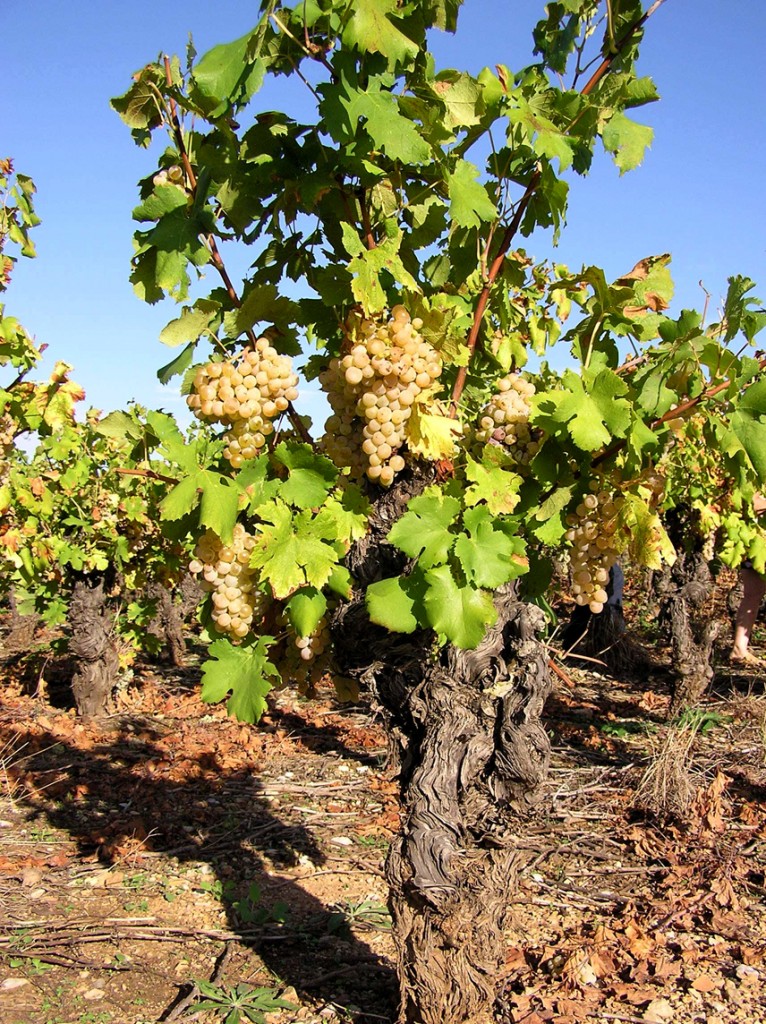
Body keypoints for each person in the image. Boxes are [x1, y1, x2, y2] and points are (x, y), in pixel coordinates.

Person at [730, 493, 766, 665]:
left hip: (756, 539)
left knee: (753, 595)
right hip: (757, 540)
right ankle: (739, 650)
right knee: (752, 594)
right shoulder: (758, 474)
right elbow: (752, 503)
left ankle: (739, 649)